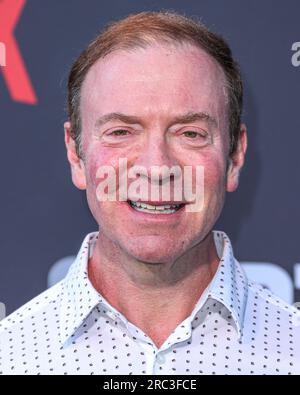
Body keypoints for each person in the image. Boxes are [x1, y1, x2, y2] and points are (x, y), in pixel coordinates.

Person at [0, 10, 299, 375]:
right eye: (121, 132)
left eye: (190, 133)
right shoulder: (11, 356)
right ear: (76, 154)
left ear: (235, 156)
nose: (157, 168)